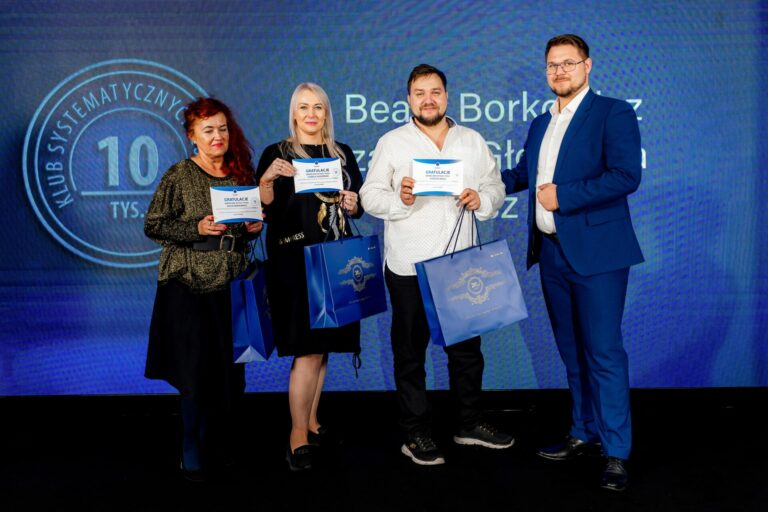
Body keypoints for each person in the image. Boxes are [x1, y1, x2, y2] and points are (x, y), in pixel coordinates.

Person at [502, 34, 643, 492]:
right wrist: (471, 185)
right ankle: (584, 431)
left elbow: (626, 175)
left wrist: (564, 196)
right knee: (571, 351)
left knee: (603, 351)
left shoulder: (612, 113)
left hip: (599, 255)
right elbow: (522, 175)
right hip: (551, 254)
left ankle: (617, 451)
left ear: (587, 66)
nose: (559, 71)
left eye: (568, 63)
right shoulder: (541, 123)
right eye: (552, 65)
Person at [359, 64, 513, 466]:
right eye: (420, 93)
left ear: (446, 96)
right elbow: (370, 196)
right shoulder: (392, 142)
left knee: (467, 353)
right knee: (411, 353)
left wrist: (483, 199)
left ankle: (469, 423)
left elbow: (495, 186)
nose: (428, 99)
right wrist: (400, 199)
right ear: (409, 99)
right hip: (409, 266)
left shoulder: (471, 140)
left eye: (435, 92)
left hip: (461, 264)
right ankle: (416, 432)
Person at [144, 97, 262, 482]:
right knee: (195, 372)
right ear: (192, 136)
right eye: (208, 130)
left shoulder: (240, 173)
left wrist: (252, 228)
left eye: (222, 128)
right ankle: (190, 443)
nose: (217, 136)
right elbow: (153, 225)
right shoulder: (179, 175)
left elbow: (243, 232)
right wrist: (194, 228)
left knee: (231, 373)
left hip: (232, 283)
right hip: (188, 285)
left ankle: (221, 441)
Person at [256, 82, 364, 472]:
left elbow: (357, 205)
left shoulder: (342, 153)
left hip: (335, 261)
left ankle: (313, 422)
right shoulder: (277, 153)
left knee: (324, 348)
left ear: (326, 112)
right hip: (295, 264)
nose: (311, 114)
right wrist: (266, 180)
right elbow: (263, 210)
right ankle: (297, 434)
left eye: (318, 106)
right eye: (303, 107)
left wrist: (353, 203)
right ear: (294, 113)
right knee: (307, 349)